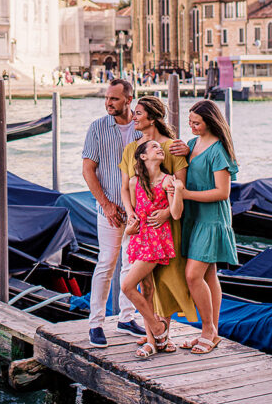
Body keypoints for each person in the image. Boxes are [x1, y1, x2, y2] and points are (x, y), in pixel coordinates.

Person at [119, 97, 196, 342]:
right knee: (145, 283)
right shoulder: (132, 149)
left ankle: (163, 332)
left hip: (168, 223)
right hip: (141, 226)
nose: (133, 117)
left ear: (152, 117)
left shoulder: (172, 148)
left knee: (168, 279)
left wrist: (165, 213)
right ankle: (154, 333)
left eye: (138, 113)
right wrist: (130, 213)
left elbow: (180, 184)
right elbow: (125, 187)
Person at [82, 79, 145, 348]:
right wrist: (107, 205)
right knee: (107, 262)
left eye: (114, 99)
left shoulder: (143, 127)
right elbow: (88, 170)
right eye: (107, 98)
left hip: (137, 210)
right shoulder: (97, 128)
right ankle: (96, 323)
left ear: (129, 100)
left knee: (131, 264)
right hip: (108, 208)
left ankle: (126, 317)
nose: (108, 103)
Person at [178, 99, 239, 355]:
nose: (191, 126)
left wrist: (186, 195)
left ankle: (207, 330)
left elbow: (222, 192)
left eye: (196, 123)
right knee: (208, 275)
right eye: (189, 122)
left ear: (210, 122)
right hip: (194, 217)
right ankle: (211, 332)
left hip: (212, 219)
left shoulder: (218, 151)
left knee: (193, 275)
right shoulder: (192, 144)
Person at [120, 140, 183, 357]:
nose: (159, 149)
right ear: (143, 157)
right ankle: (153, 341)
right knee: (146, 291)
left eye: (160, 147)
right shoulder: (134, 182)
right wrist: (130, 226)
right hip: (140, 240)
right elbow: (135, 217)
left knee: (127, 286)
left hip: (157, 242)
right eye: (154, 147)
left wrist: (177, 191)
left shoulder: (167, 181)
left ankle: (158, 330)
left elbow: (175, 214)